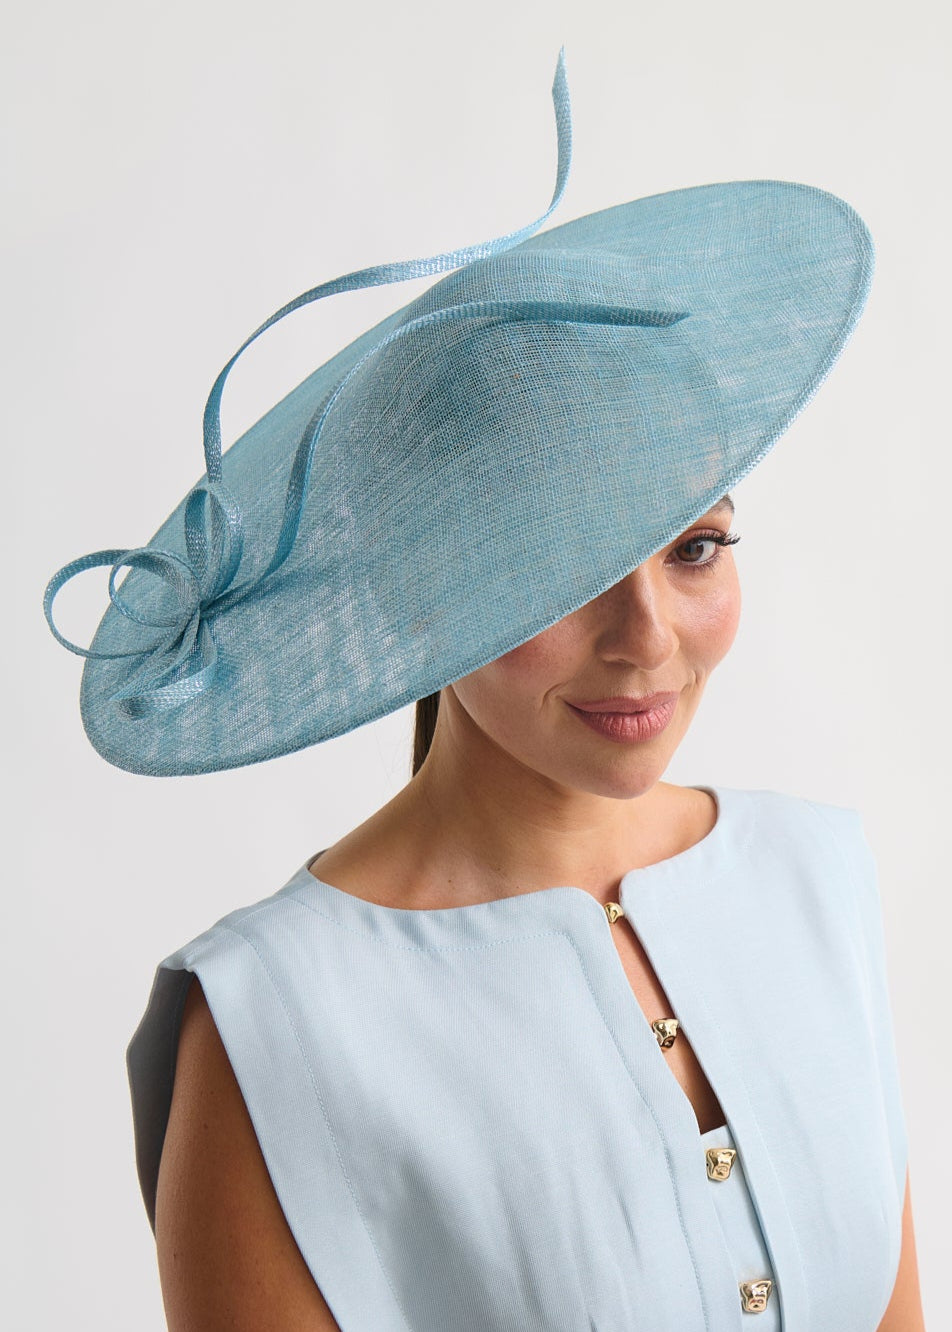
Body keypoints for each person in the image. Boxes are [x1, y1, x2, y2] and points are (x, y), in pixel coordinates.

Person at [42, 50, 924, 1331]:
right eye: (562, 571)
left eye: (693, 548)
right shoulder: (278, 1018)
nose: (644, 638)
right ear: (417, 590)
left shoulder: (814, 876)